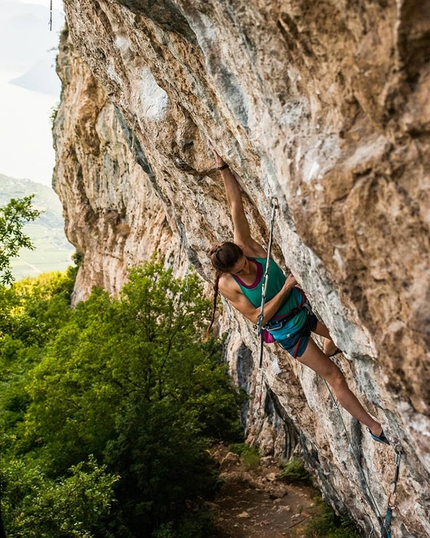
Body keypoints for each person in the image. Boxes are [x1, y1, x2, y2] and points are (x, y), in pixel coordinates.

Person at [207, 144, 389, 445]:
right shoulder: (229, 286)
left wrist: (223, 168)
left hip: (304, 310)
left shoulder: (248, 247)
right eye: (239, 270)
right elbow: (258, 316)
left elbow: (234, 205)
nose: (245, 269)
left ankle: (331, 345)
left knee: (346, 340)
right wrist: (286, 287)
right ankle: (375, 428)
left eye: (243, 262)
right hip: (290, 334)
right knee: (334, 376)